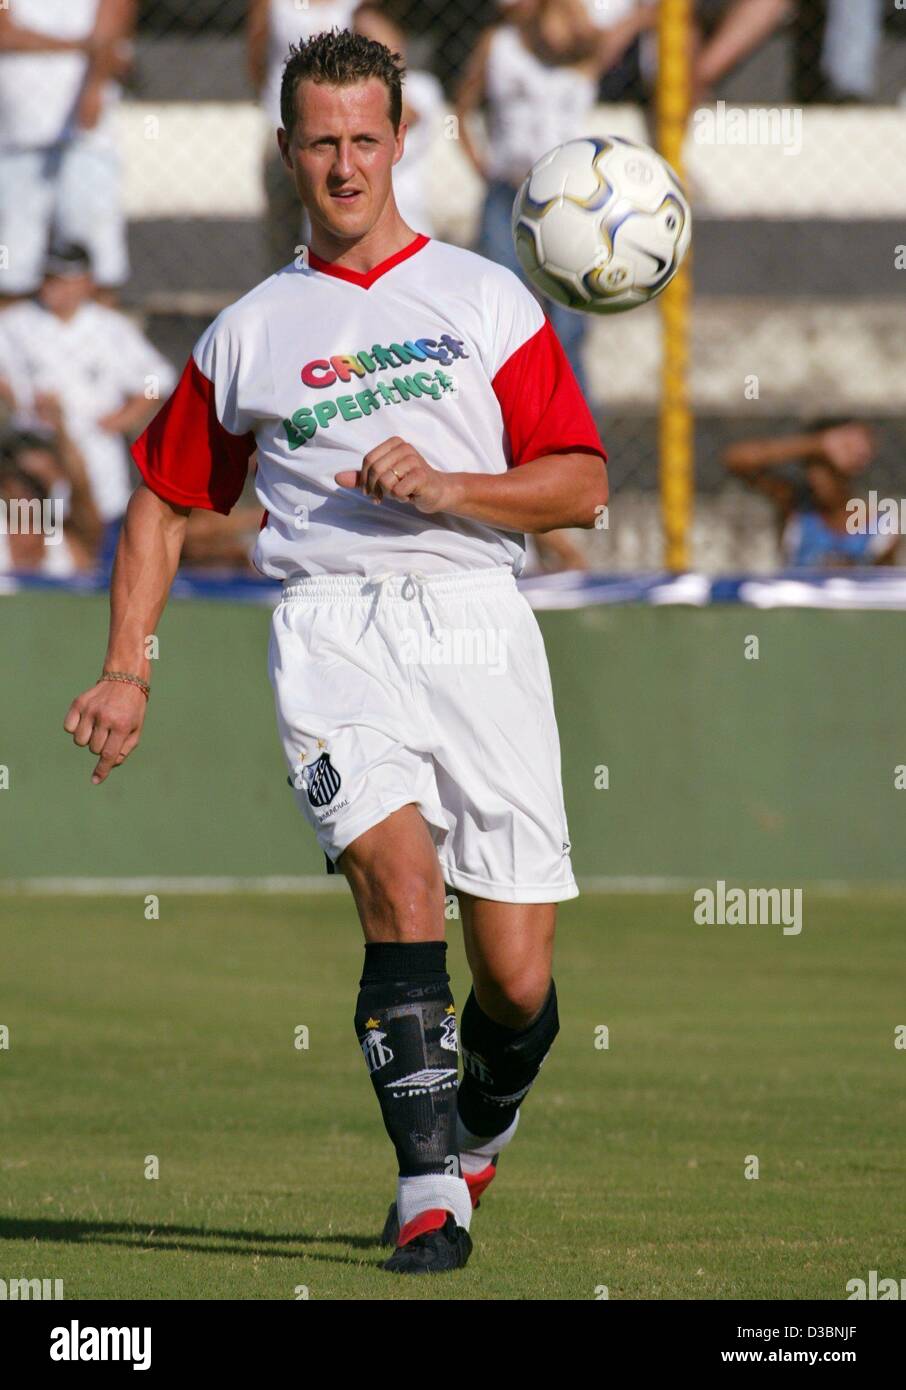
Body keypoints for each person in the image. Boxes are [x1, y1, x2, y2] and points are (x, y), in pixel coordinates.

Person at [63, 28, 608, 1276]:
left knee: (516, 977)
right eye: (324, 141)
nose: (347, 163)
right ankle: (429, 1195)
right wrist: (126, 666)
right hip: (329, 632)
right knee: (401, 889)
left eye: (368, 137)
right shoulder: (249, 331)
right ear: (288, 151)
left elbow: (581, 484)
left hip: (478, 622)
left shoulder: (485, 297)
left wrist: (453, 488)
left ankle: (478, 1120)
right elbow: (158, 501)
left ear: (402, 139)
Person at [455, 0, 616, 401]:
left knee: (569, 325)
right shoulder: (500, 44)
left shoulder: (585, 48)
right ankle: (505, 427)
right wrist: (485, 167)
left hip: (569, 202)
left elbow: (639, 22)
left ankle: (574, 434)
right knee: (501, 314)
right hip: (508, 195)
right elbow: (463, 108)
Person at [0, 243, 176, 564]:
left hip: (94, 459)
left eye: (66, 280)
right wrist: (15, 398)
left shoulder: (111, 328)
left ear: (87, 283)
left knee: (98, 560)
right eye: (50, 279)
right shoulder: (15, 323)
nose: (56, 288)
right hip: (36, 463)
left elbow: (157, 381)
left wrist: (123, 418)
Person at [0, 0, 135, 307]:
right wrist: (81, 44)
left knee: (97, 269)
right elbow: (3, 33)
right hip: (15, 136)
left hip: (88, 140)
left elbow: (111, 36)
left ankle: (101, 353)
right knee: (10, 270)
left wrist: (94, 82)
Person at [248, 0, 359, 272]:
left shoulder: (359, 5)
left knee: (334, 221)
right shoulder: (273, 4)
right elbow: (255, 55)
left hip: (339, 128)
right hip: (282, 122)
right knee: (282, 227)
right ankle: (283, 296)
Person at [723, 418, 898, 567]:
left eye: (827, 469)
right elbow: (737, 460)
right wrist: (819, 444)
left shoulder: (880, 527)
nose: (817, 478)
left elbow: (882, 591)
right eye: (811, 466)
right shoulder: (794, 507)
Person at [353, 4, 445, 238]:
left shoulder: (423, 88)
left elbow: (404, 111)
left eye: (376, 38)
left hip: (409, 221)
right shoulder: (342, 93)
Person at [0, 411, 103, 574]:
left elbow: (81, 493)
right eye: (22, 478)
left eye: (37, 483)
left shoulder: (69, 549)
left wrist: (60, 428)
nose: (29, 491)